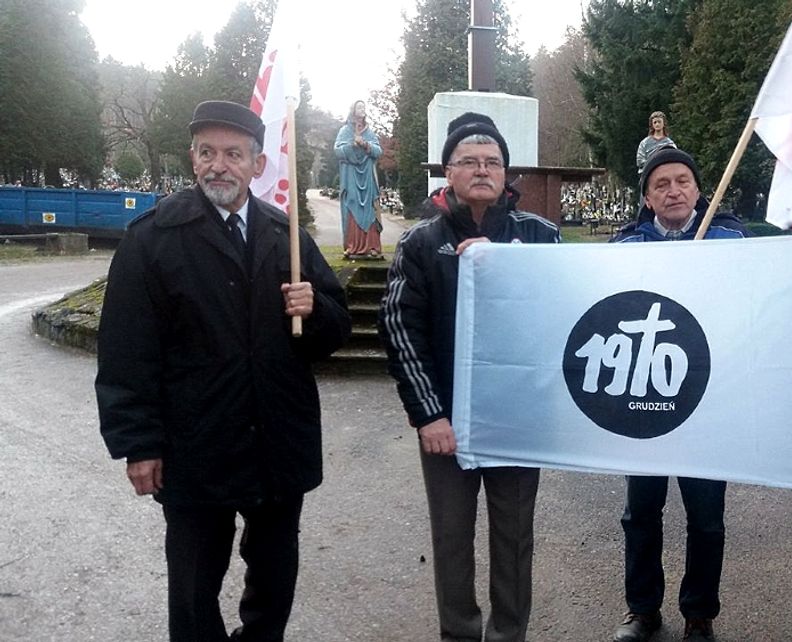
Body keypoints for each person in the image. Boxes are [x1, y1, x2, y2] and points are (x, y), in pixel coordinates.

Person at [95, 100, 352, 641]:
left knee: (275, 577)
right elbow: (126, 352)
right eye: (207, 152)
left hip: (277, 442)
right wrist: (138, 444)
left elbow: (334, 333)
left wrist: (317, 310)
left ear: (257, 165)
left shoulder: (288, 237)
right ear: (192, 159)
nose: (219, 165)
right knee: (193, 586)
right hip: (195, 446)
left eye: (233, 154)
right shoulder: (154, 239)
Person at [382, 112, 561, 642]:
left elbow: (562, 313)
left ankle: (510, 633)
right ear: (448, 172)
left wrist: (507, 263)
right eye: (470, 161)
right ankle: (459, 634)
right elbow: (399, 328)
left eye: (493, 162)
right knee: (453, 538)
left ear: (507, 174)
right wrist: (428, 413)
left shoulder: (540, 237)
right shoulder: (420, 243)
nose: (482, 170)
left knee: (514, 538)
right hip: (447, 423)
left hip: (517, 420)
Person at [609, 148, 747, 642]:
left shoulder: (730, 240)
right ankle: (642, 608)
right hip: (645, 401)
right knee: (641, 512)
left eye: (683, 181)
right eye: (661, 183)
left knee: (707, 518)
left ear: (697, 189)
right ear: (647, 197)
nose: (673, 190)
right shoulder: (627, 245)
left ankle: (699, 613)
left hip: (707, 403)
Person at [335, 99, 383, 258]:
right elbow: (337, 151)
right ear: (353, 110)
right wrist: (352, 145)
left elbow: (378, 151)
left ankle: (372, 246)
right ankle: (352, 246)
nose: (362, 109)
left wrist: (366, 145)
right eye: (359, 106)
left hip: (367, 176)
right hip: (351, 176)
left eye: (364, 107)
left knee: (369, 207)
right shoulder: (345, 131)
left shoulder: (369, 132)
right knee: (352, 204)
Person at [636, 111, 676, 175]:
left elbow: (674, 159)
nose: (657, 124)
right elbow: (640, 161)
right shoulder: (644, 142)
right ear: (652, 124)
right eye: (655, 122)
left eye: (659, 122)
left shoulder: (669, 143)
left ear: (664, 123)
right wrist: (654, 164)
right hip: (648, 174)